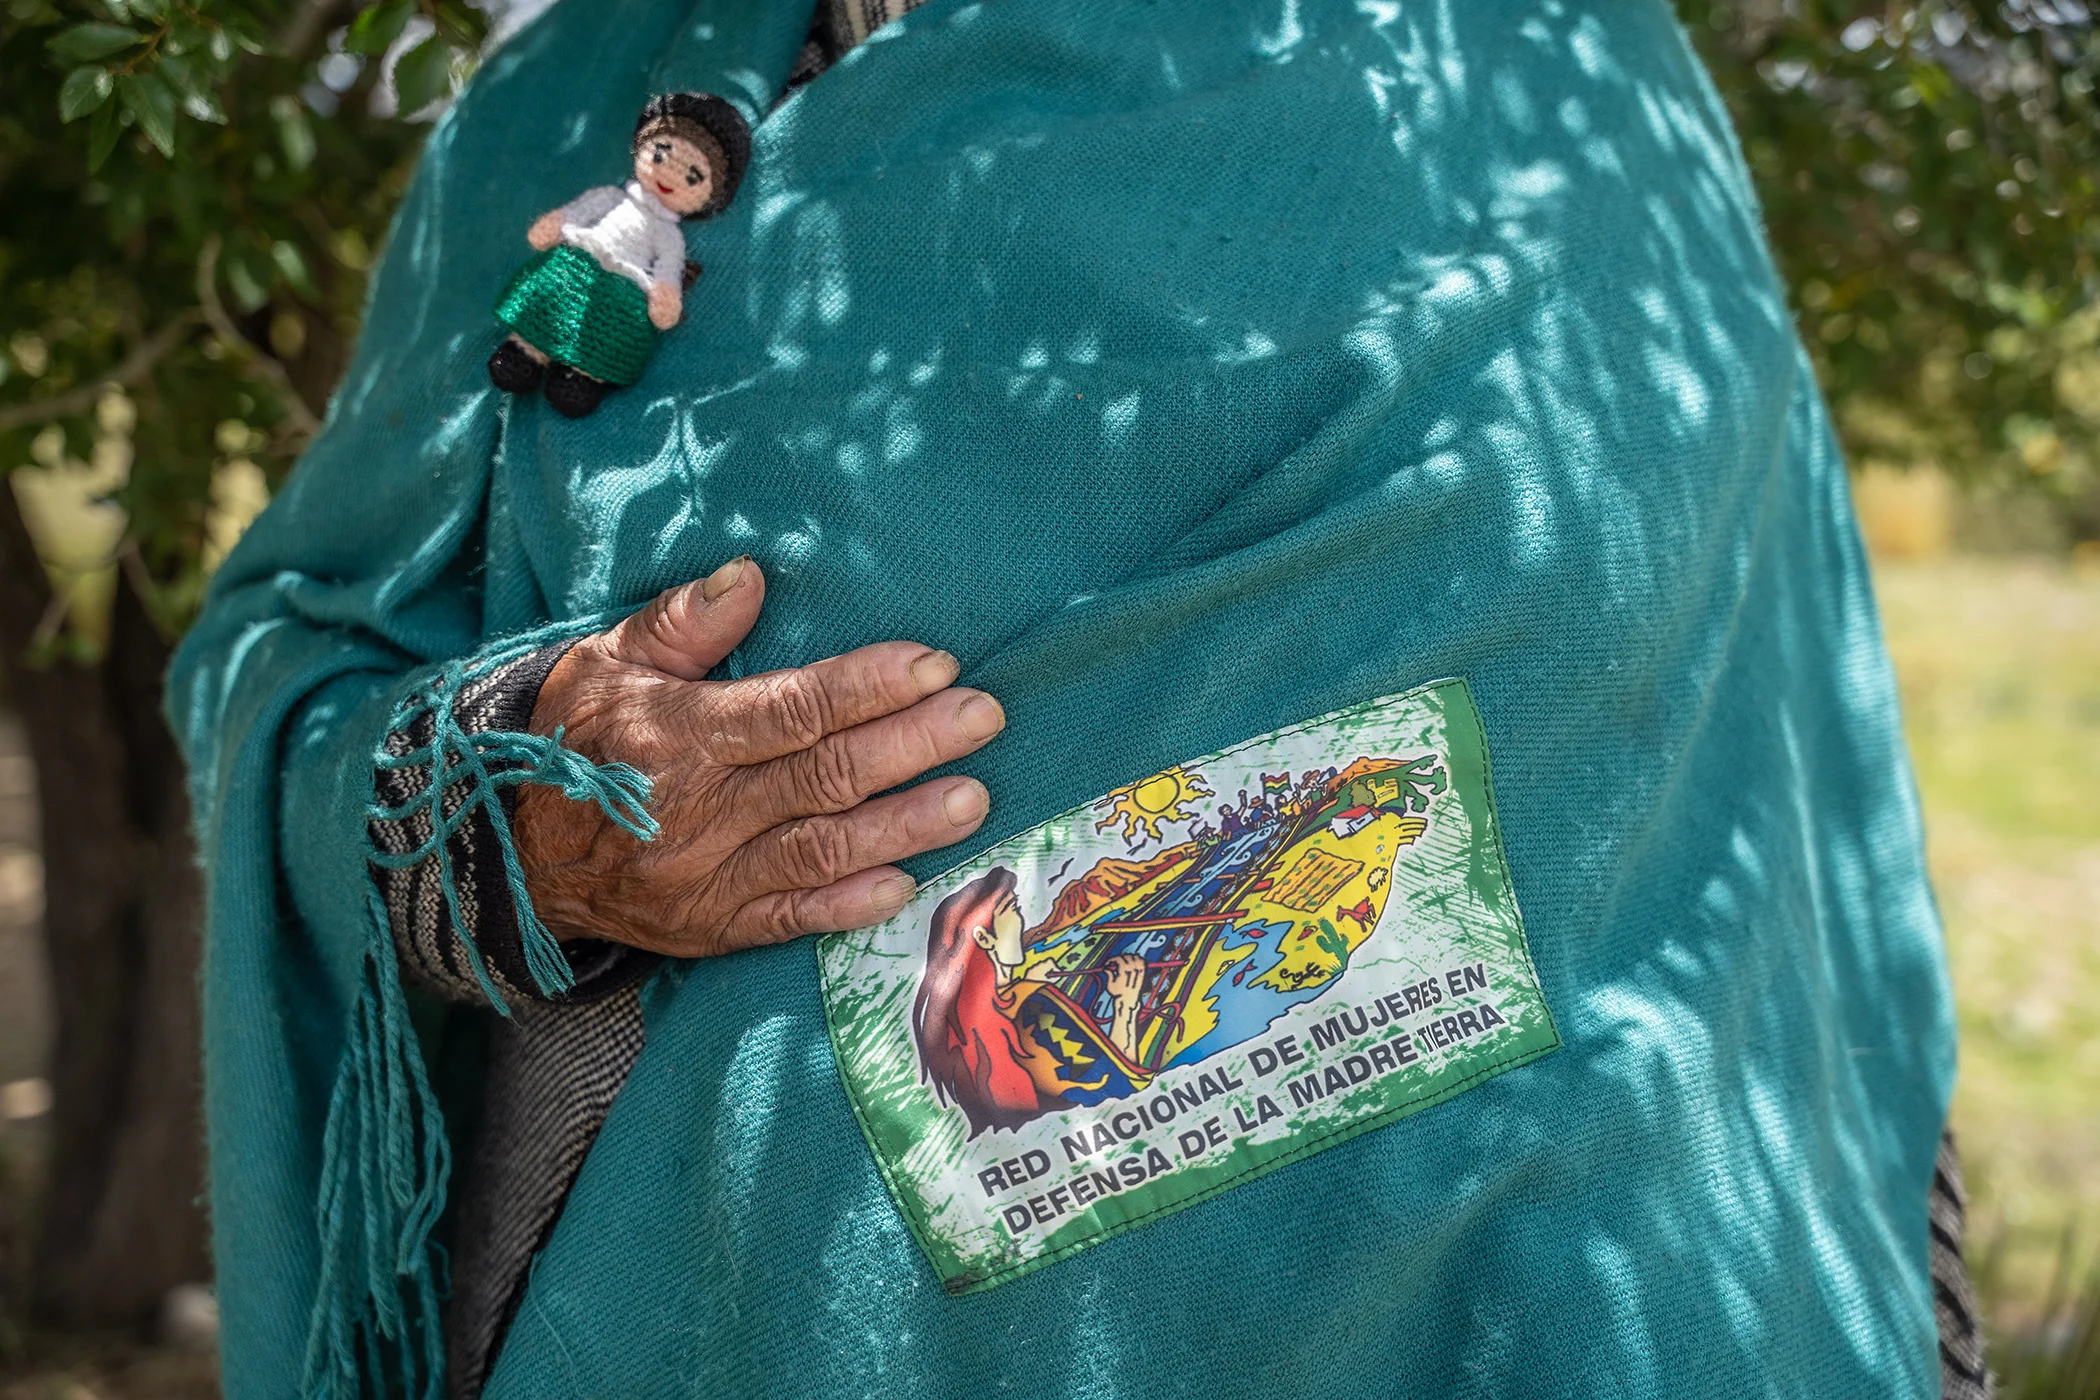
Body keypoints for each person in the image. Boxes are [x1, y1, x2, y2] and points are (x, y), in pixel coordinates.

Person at [168, 0, 1987, 1396]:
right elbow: (299, 657)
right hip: (721, 1316)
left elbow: (1686, 697)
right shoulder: (585, 111)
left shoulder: (1526, 75)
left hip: (1546, 1294)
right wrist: (526, 818)